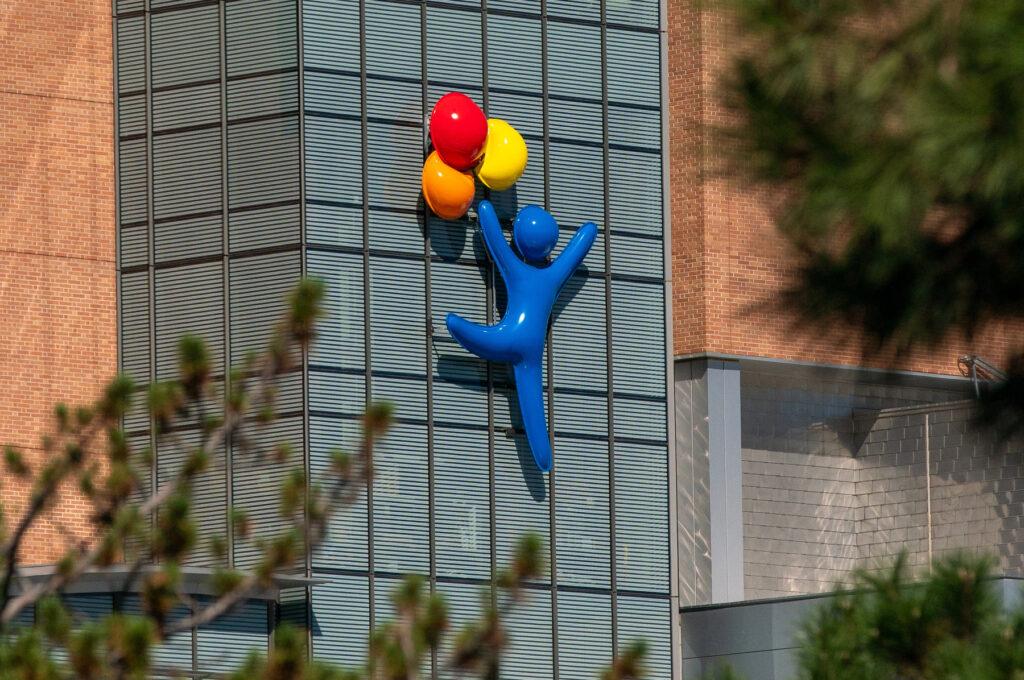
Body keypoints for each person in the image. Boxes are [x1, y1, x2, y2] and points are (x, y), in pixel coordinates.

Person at [446, 200, 597, 472]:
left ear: (519, 236)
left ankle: (544, 459)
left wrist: (486, 211)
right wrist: (588, 232)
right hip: (531, 350)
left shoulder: (516, 269)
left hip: (509, 338)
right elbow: (579, 246)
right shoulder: (552, 277)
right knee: (532, 399)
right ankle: (543, 458)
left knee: (466, 331)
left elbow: (496, 242)